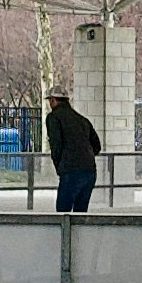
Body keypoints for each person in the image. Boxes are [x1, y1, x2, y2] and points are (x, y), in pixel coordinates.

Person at [42, 86, 100, 215]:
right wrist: (85, 156)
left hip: (70, 170)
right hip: (90, 171)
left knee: (63, 213)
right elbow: (97, 146)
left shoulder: (54, 117)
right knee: (80, 213)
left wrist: (60, 165)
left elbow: (56, 144)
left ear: (53, 100)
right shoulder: (82, 120)